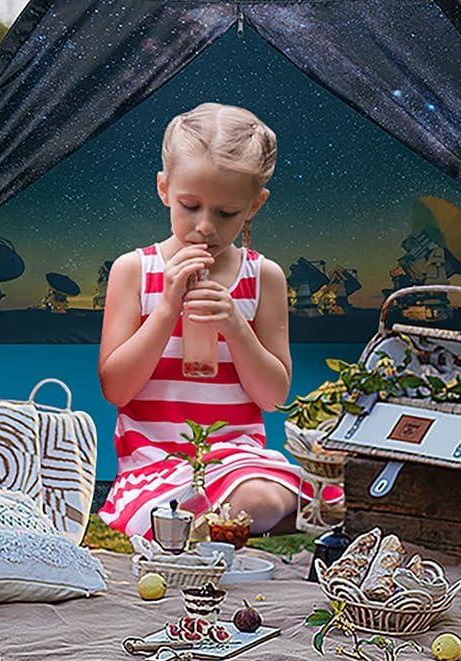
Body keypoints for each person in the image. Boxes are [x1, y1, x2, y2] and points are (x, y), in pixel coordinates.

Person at [97, 102, 333, 539]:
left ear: (254, 206)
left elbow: (272, 397)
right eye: (190, 205)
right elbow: (116, 388)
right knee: (255, 505)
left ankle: (218, 526)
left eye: (226, 214)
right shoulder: (135, 270)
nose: (205, 226)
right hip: (155, 464)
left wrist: (236, 326)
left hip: (238, 460)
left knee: (265, 495)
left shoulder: (264, 277)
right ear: (164, 189)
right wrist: (167, 309)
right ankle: (219, 526)